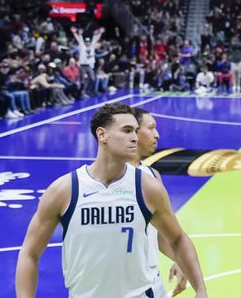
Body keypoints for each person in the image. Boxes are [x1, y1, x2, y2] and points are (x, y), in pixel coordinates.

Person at [15, 103, 208, 298]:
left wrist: (200, 289)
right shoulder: (64, 190)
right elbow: (30, 253)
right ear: (102, 135)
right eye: (126, 131)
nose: (134, 137)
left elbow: (177, 238)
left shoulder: (147, 187)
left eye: (135, 131)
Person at [131, 107, 189, 297]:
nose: (157, 135)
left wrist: (179, 259)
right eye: (151, 128)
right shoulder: (105, 177)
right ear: (133, 131)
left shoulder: (152, 175)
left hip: (149, 283)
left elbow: (160, 231)